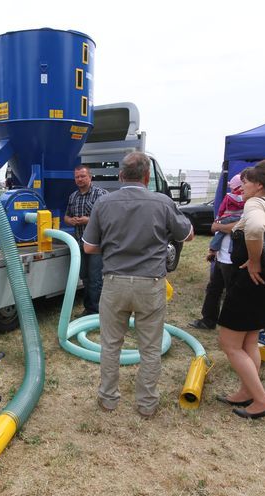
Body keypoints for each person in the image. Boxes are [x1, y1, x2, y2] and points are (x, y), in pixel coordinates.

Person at [82, 152, 194, 418]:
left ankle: (108, 399)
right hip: (150, 284)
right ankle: (146, 404)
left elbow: (88, 247)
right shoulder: (162, 202)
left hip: (114, 283)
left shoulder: (103, 203)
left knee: (111, 345)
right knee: (150, 347)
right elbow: (187, 235)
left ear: (121, 176)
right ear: (147, 177)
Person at [216, 159, 265, 421]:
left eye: (245, 182)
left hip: (250, 280)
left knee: (229, 343)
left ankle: (262, 401)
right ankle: (247, 391)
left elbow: (255, 228)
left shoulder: (255, 203)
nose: (241, 187)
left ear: (258, 185)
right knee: (249, 341)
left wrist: (254, 261)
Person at [190, 171, 247, 330]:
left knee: (231, 293)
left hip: (232, 259)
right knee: (213, 289)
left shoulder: (252, 206)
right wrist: (213, 250)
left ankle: (232, 326)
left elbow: (238, 228)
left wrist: (219, 226)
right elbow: (221, 226)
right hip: (221, 257)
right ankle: (208, 320)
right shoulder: (237, 203)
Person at [64, 165, 108, 316]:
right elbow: (66, 217)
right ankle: (89, 309)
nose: (80, 179)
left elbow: (108, 217)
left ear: (90, 177)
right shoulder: (73, 197)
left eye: (83, 176)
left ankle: (96, 311)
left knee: (95, 278)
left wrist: (87, 220)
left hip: (96, 244)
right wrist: (72, 221)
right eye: (77, 177)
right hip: (79, 244)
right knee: (85, 278)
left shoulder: (101, 194)